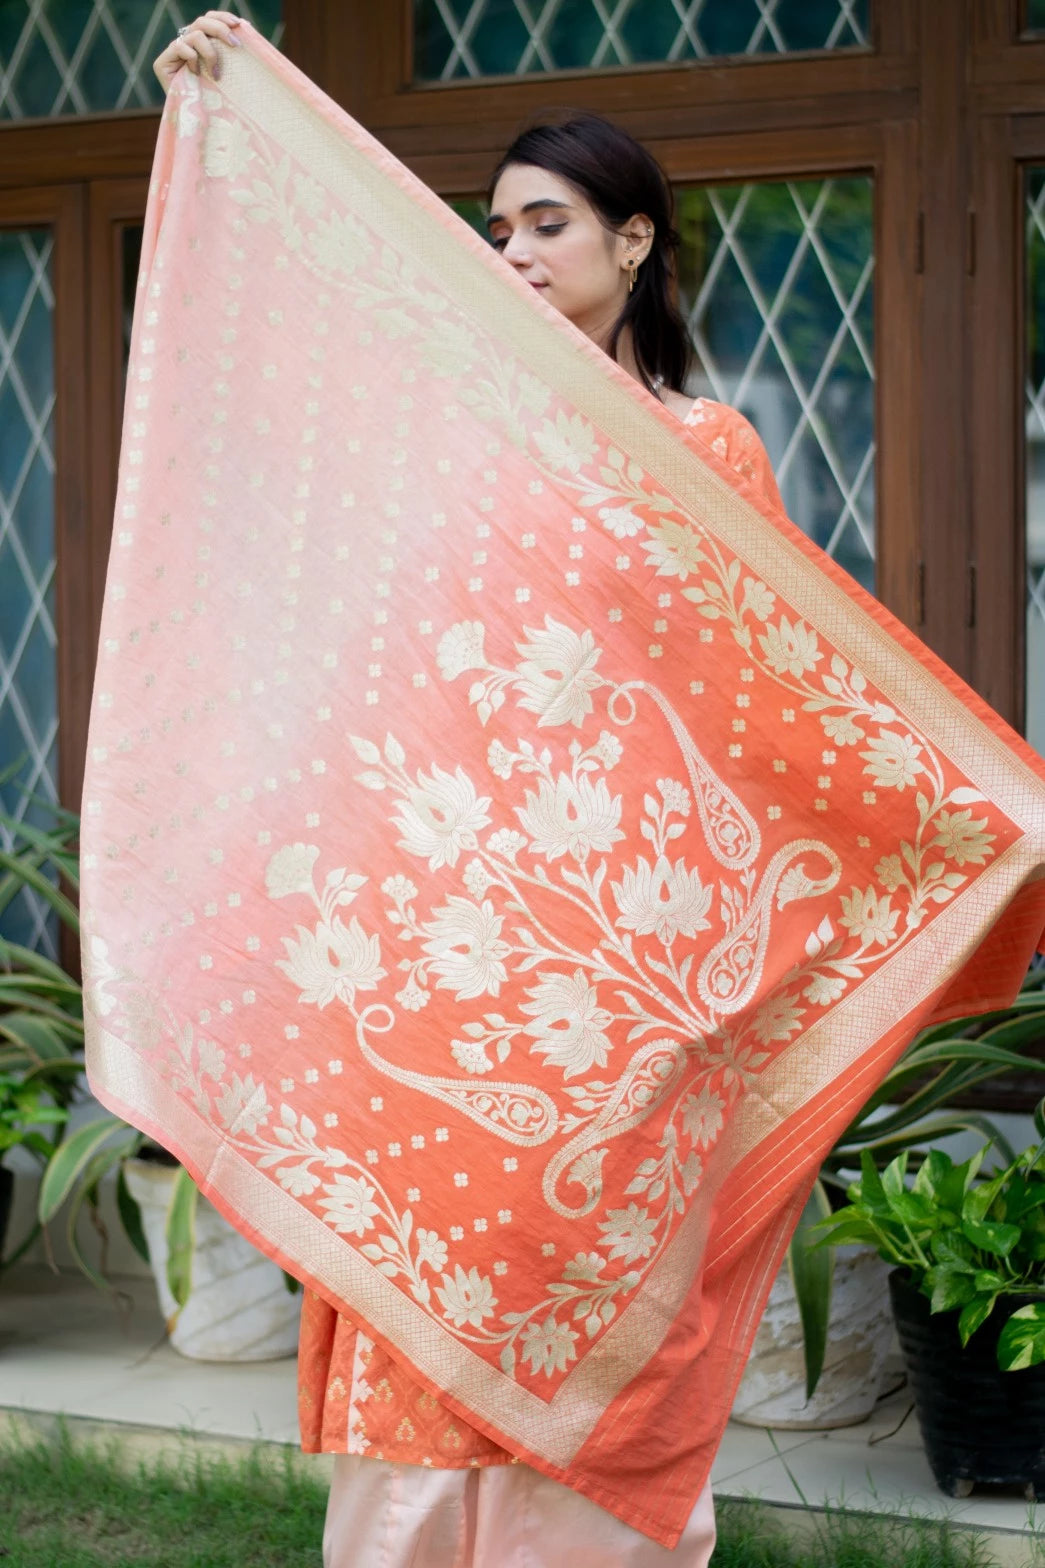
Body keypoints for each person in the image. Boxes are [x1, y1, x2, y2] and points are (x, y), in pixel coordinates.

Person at [151, 14, 784, 1565]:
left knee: (582, 1294)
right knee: (426, 1284)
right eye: (492, 228)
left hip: (624, 961)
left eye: (544, 223)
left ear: (635, 241)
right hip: (445, 943)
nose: (508, 249)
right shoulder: (447, 446)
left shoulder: (708, 450)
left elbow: (765, 697)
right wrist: (233, 108)